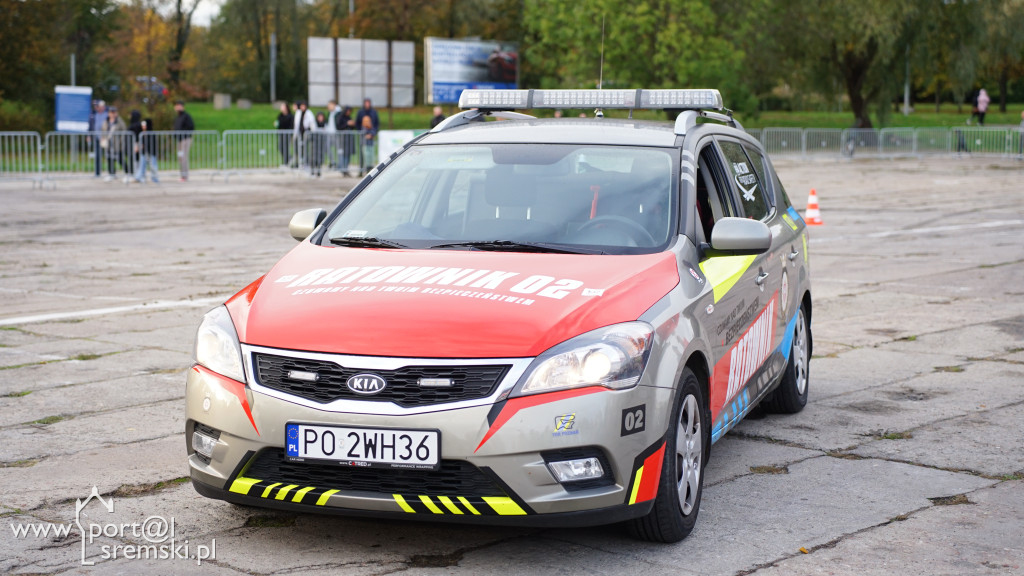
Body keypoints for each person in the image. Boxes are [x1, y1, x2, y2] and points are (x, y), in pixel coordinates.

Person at [101, 106, 129, 182]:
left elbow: (124, 130)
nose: (112, 114)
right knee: (109, 159)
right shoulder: (106, 121)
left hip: (117, 144)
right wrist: (103, 138)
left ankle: (127, 173)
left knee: (120, 159)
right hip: (108, 144)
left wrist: (121, 141)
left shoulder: (119, 121)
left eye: (114, 112)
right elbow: (103, 130)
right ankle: (111, 174)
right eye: (111, 112)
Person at [172, 100, 195, 181]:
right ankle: (182, 174)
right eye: (176, 105)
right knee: (180, 157)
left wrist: (184, 134)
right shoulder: (177, 117)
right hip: (179, 140)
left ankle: (185, 175)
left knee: (184, 157)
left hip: (185, 139)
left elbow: (191, 127)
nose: (178, 107)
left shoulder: (186, 116)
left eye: (179, 105)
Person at [355, 99, 379, 173]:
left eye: (368, 103)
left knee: (370, 153)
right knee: (363, 154)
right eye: (366, 103)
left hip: (371, 136)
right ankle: (361, 170)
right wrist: (362, 133)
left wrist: (372, 134)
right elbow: (357, 123)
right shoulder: (360, 112)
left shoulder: (374, 112)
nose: (367, 104)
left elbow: (376, 124)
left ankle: (369, 168)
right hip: (363, 137)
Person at [134, 117, 160, 183]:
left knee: (153, 166)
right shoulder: (142, 134)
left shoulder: (151, 134)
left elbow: (151, 144)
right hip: (144, 153)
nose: (143, 127)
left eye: (144, 125)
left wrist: (143, 146)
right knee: (142, 165)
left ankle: (155, 178)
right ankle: (139, 177)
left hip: (151, 153)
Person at [292, 100, 314, 169]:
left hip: (307, 134)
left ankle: (306, 162)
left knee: (305, 149)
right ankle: (299, 162)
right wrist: (294, 135)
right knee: (298, 149)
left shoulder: (308, 113)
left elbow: (311, 123)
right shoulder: (298, 113)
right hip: (299, 134)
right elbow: (296, 125)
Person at [89, 100, 108, 178]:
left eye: (99, 106)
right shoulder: (94, 114)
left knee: (109, 155)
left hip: (105, 138)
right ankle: (97, 173)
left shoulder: (107, 115)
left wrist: (104, 136)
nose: (97, 107)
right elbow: (90, 125)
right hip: (97, 137)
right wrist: (89, 135)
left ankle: (111, 173)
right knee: (97, 156)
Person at [335, 105, 354, 172]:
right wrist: (347, 123)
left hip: (349, 139)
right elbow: (339, 127)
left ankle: (346, 168)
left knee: (348, 154)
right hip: (343, 139)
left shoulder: (349, 117)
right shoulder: (341, 117)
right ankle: (343, 168)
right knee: (343, 154)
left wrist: (352, 124)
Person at [274, 102, 293, 167]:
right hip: (281, 134)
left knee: (285, 148)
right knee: (280, 147)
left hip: (287, 134)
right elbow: (278, 123)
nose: (281, 108)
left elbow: (291, 125)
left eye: (282, 106)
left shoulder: (290, 116)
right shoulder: (280, 115)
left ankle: (286, 161)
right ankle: (288, 158)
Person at [310, 112, 327, 177]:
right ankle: (312, 171)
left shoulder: (324, 123)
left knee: (320, 157)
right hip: (315, 142)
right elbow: (314, 130)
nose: (320, 118)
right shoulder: (314, 123)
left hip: (321, 142)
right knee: (313, 156)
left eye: (321, 117)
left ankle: (319, 171)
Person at [127, 110, 142, 178]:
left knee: (136, 159)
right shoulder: (133, 124)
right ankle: (134, 173)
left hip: (136, 144)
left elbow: (137, 135)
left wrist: (136, 144)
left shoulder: (137, 124)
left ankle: (137, 174)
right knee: (133, 158)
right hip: (132, 144)